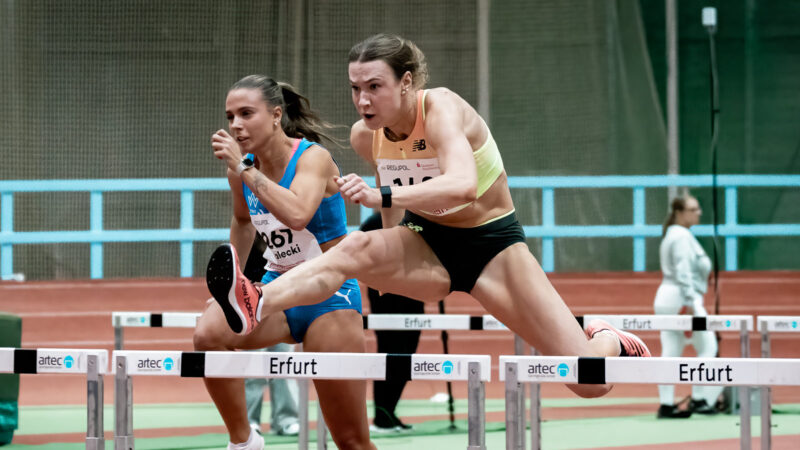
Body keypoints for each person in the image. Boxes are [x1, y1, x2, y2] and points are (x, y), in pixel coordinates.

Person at [206, 34, 650, 403]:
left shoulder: (440, 109)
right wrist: (385, 236)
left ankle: (606, 334)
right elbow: (395, 204)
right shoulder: (368, 137)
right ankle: (256, 300)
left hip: (492, 247)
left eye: (374, 86)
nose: (362, 99)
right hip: (426, 240)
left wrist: (382, 193)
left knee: (589, 381)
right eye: (355, 88)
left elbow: (462, 185)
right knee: (354, 249)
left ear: (406, 82)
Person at [194, 74, 375, 450]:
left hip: (330, 297)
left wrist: (245, 170)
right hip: (275, 291)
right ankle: (244, 440)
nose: (235, 125)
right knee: (208, 333)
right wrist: (234, 284)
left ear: (276, 115)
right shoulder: (240, 168)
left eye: (246, 113)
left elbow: (296, 214)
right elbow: (243, 221)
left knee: (351, 441)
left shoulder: (313, 158)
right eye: (230, 116)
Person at [654, 195, 722, 418]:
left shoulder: (675, 234)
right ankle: (699, 399)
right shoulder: (681, 237)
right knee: (708, 347)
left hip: (669, 297)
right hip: (682, 299)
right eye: (694, 208)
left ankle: (666, 404)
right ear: (680, 213)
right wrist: (691, 304)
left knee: (671, 352)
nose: (699, 212)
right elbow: (684, 273)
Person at [359, 211, 423, 432]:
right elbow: (359, 259)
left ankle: (389, 410)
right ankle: (381, 415)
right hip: (385, 299)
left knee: (407, 354)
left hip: (414, 296)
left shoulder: (419, 221)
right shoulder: (375, 223)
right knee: (390, 351)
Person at [240, 239, 300, 437]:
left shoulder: (287, 241)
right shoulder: (248, 241)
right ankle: (250, 421)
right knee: (253, 366)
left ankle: (287, 419)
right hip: (252, 309)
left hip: (283, 305)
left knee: (285, 363)